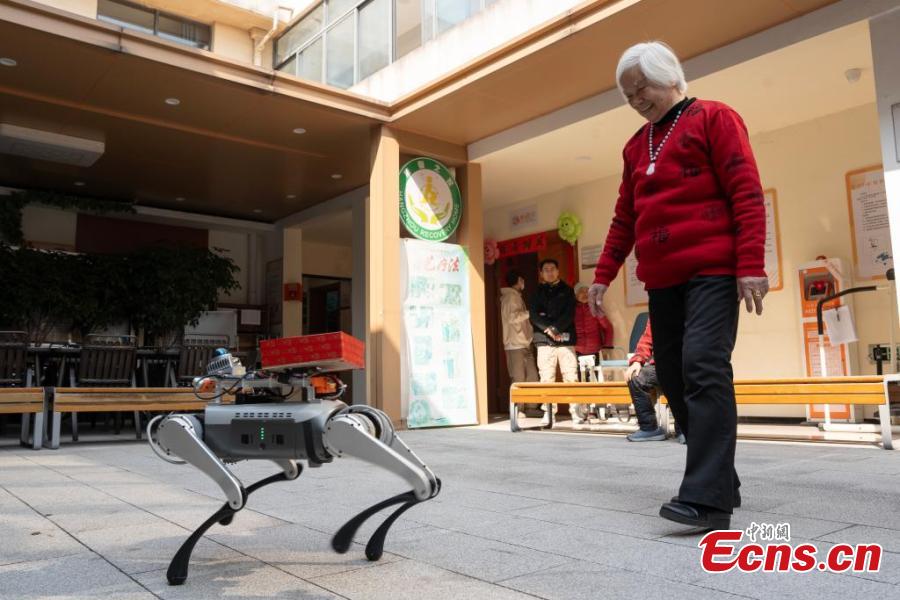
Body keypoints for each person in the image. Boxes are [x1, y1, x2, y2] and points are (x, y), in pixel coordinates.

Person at [587, 41, 767, 531]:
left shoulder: (715, 117)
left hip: (712, 269)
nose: (635, 98)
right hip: (661, 279)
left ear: (668, 75)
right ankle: (721, 480)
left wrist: (751, 264)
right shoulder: (634, 145)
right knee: (668, 372)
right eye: (627, 93)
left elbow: (745, 192)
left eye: (640, 86)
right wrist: (603, 274)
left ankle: (707, 498)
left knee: (704, 364)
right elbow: (625, 217)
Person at [529, 258, 580, 426]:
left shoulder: (567, 290)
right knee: (546, 377)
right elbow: (534, 315)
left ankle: (576, 412)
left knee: (570, 376)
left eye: (552, 269)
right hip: (544, 340)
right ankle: (549, 413)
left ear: (558, 271)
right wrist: (549, 329)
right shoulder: (536, 291)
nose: (550, 272)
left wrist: (556, 329)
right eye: (546, 269)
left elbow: (569, 313)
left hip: (565, 338)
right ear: (541, 273)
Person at [624, 319, 684, 443]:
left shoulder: (693, 306)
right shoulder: (660, 307)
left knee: (684, 376)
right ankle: (649, 428)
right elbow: (647, 338)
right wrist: (637, 361)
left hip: (685, 364)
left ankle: (685, 429)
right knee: (636, 377)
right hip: (661, 365)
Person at [500, 270, 539, 415]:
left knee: (531, 376)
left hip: (523, 342)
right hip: (515, 343)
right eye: (521, 279)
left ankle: (530, 408)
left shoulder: (515, 296)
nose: (523, 282)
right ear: (517, 281)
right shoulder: (510, 297)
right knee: (519, 377)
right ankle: (518, 409)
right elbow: (512, 318)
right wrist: (530, 313)